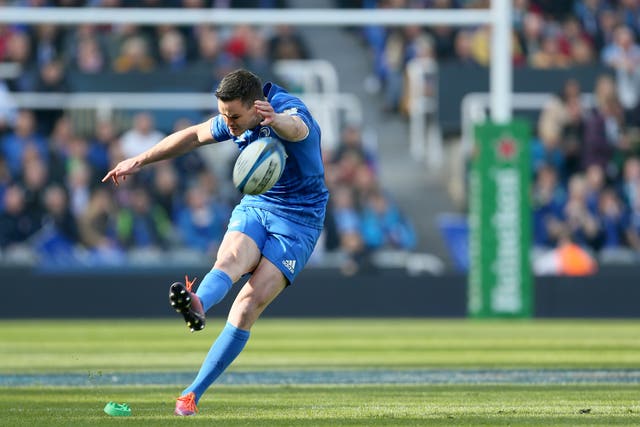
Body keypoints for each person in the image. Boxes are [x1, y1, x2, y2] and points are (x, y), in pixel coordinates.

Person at [102, 69, 328, 416]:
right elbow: (193, 135)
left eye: (234, 116)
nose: (228, 123)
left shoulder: (290, 111)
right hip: (260, 203)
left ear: (257, 107)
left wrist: (277, 120)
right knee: (229, 261)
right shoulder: (236, 118)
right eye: (224, 114)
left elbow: (299, 130)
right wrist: (140, 160)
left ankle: (191, 395)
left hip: (300, 220)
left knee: (248, 304)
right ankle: (198, 302)